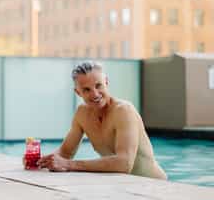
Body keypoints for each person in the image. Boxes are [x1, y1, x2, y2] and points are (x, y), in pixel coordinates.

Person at [27, 61, 167, 180]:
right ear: (78, 92)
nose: (95, 94)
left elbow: (124, 163)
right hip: (126, 185)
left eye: (98, 85)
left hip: (154, 186)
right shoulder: (82, 114)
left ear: (106, 82)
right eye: (86, 90)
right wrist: (41, 162)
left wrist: (69, 165)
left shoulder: (123, 111)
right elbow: (66, 153)